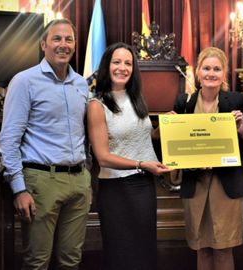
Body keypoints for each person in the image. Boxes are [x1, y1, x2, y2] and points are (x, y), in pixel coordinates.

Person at [0, 19, 91, 269]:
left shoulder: (82, 84)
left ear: (74, 45)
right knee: (37, 261)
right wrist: (19, 189)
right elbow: (8, 140)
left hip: (79, 182)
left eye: (68, 39)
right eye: (57, 39)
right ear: (43, 44)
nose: (63, 44)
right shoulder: (24, 81)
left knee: (71, 259)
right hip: (41, 182)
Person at [87, 42, 171, 270]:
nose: (122, 68)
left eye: (128, 63)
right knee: (121, 254)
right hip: (116, 189)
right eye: (116, 62)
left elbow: (143, 138)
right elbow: (103, 157)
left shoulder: (137, 99)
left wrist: (165, 127)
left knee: (144, 251)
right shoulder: (97, 104)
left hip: (144, 185)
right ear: (107, 66)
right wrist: (142, 164)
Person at [172, 47, 243, 270]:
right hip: (195, 185)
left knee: (223, 249)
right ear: (198, 72)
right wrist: (169, 129)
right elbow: (173, 150)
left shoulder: (237, 101)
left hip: (225, 185)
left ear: (224, 73)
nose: (211, 73)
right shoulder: (184, 103)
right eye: (206, 68)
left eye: (217, 69)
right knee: (202, 248)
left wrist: (241, 133)